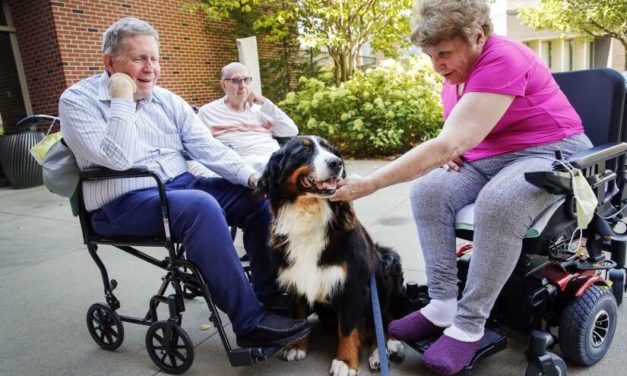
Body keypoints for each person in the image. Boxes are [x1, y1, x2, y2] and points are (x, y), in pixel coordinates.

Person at [331, 0, 592, 374]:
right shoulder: (455, 77)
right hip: (490, 157)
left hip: (549, 150)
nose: (436, 64)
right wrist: (453, 149)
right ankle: (442, 304)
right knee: (428, 191)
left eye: (444, 53)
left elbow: (448, 142)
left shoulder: (504, 59)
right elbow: (453, 138)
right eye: (429, 55)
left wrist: (372, 182)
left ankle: (469, 325)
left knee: (498, 204)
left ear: (478, 36)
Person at [58, 17, 309, 349]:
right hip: (121, 203)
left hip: (180, 186)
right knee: (200, 205)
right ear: (109, 62)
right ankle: (249, 322)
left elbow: (207, 148)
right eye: (139, 59)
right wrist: (122, 97)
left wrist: (254, 177)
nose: (151, 68)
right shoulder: (76, 101)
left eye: (155, 58)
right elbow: (118, 159)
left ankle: (269, 296)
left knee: (257, 198)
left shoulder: (167, 100)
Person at [188, 62, 298, 177]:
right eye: (236, 80)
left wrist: (265, 103)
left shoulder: (260, 108)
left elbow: (291, 131)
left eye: (246, 80)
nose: (243, 85)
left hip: (276, 161)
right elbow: (195, 147)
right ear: (223, 85)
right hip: (244, 167)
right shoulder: (208, 112)